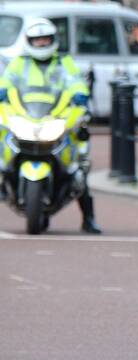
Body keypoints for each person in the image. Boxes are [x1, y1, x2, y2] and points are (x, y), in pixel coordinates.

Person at [0, 18, 100, 232]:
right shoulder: (20, 62)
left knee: (78, 168)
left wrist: (81, 96)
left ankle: (88, 218)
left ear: (53, 40)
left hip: (55, 116)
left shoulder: (64, 62)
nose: (42, 44)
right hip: (27, 115)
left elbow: (75, 81)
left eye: (46, 39)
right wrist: (2, 91)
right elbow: (7, 80)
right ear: (29, 42)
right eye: (37, 40)